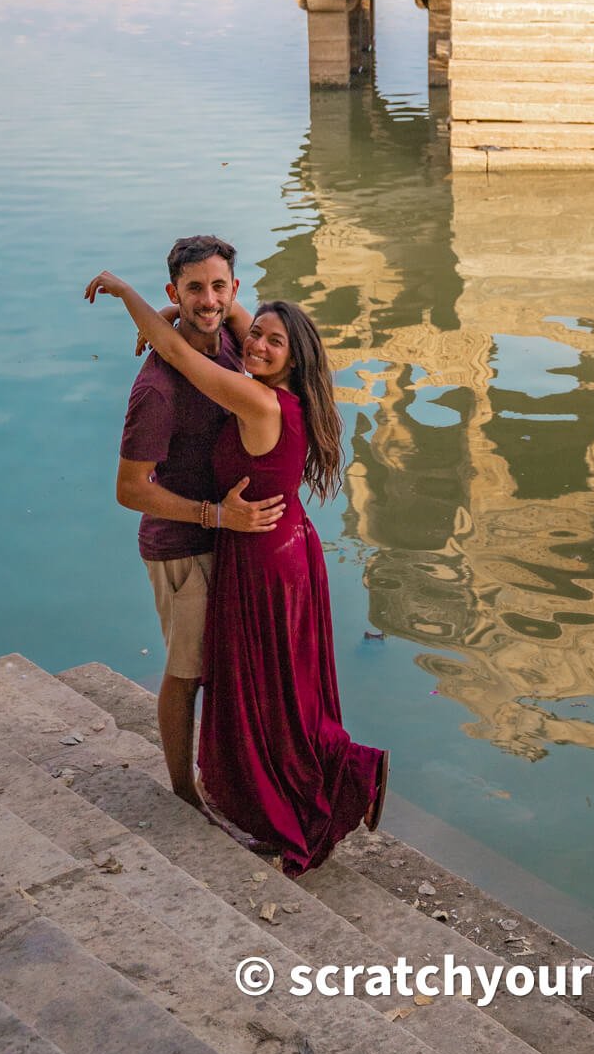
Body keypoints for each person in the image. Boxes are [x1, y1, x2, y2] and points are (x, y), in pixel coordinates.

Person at [89, 267, 389, 873]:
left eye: (271, 342)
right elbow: (229, 321)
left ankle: (347, 773)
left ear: (292, 358)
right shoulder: (281, 384)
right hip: (285, 546)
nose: (254, 344)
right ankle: (329, 778)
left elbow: (175, 352)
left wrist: (128, 295)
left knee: (269, 690)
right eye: (255, 335)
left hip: (261, 555)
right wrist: (191, 311)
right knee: (283, 687)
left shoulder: (254, 396)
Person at [116, 234, 284, 805]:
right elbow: (130, 489)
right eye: (192, 290)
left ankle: (228, 777)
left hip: (229, 537)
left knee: (226, 670)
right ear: (174, 291)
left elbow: (235, 314)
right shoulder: (157, 389)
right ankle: (184, 793)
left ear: (234, 289)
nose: (209, 300)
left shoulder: (235, 347)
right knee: (186, 674)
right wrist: (215, 515)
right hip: (183, 548)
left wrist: (165, 314)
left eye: (218, 287)